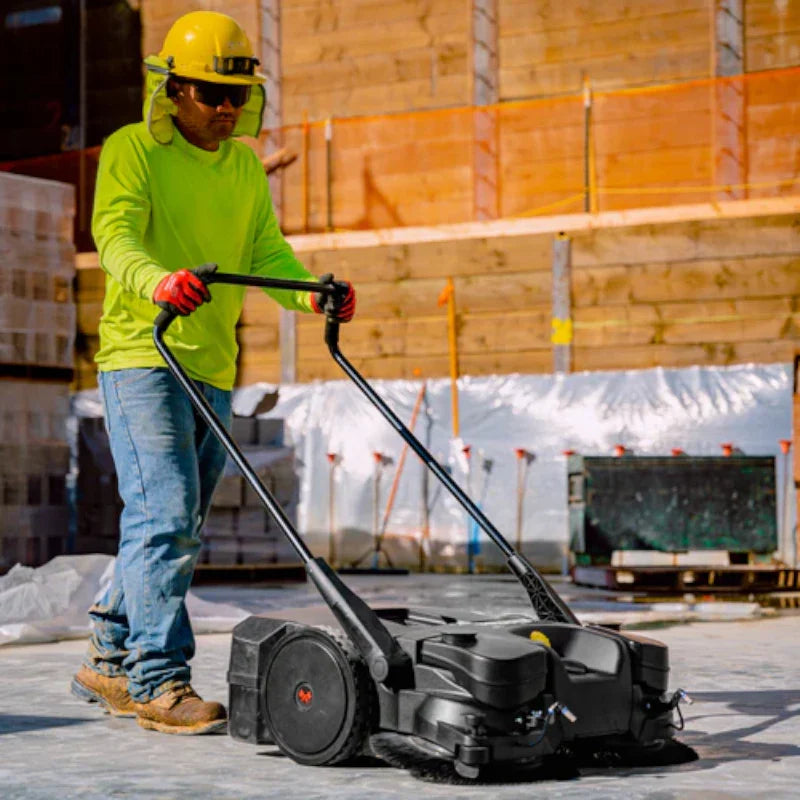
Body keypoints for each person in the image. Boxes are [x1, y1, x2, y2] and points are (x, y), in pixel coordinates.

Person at [70, 10, 356, 735]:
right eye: (209, 92)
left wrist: (315, 293)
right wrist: (158, 282)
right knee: (163, 517)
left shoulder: (241, 168)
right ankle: (157, 683)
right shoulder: (132, 151)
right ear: (173, 89)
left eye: (237, 94)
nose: (226, 108)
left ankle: (107, 650)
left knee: (176, 525)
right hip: (143, 354)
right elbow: (116, 237)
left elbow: (266, 256)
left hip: (212, 365)